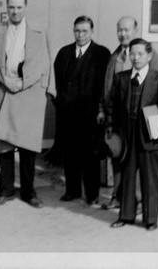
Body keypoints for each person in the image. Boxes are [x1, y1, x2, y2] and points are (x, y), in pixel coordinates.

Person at [0, 0, 56, 209]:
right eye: (11, 7)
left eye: (19, 7)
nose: (15, 11)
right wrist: (4, 81)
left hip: (29, 91)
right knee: (5, 145)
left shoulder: (38, 32)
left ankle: (28, 192)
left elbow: (45, 62)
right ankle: (5, 191)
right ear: (6, 8)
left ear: (26, 8)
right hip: (4, 91)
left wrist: (24, 83)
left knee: (28, 147)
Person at [107, 38, 158, 230]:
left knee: (150, 178)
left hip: (150, 136)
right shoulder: (121, 79)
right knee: (127, 177)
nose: (135, 58)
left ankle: (150, 219)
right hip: (127, 136)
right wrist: (111, 127)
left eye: (140, 54)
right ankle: (126, 215)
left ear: (149, 56)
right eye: (132, 54)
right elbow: (113, 105)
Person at [99, 16, 158, 210]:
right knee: (118, 156)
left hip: (142, 117)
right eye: (120, 30)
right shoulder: (115, 56)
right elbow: (107, 87)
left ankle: (139, 199)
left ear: (135, 30)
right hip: (119, 118)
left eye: (127, 30)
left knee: (140, 161)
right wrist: (104, 111)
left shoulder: (151, 55)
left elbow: (157, 88)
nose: (123, 34)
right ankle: (118, 196)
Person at [53, 15, 110, 205]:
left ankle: (92, 193)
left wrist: (101, 109)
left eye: (84, 31)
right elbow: (58, 82)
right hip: (68, 113)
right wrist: (60, 102)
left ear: (92, 32)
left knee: (90, 154)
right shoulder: (64, 53)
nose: (80, 35)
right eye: (77, 31)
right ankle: (72, 190)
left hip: (90, 113)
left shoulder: (101, 54)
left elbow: (104, 84)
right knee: (70, 153)